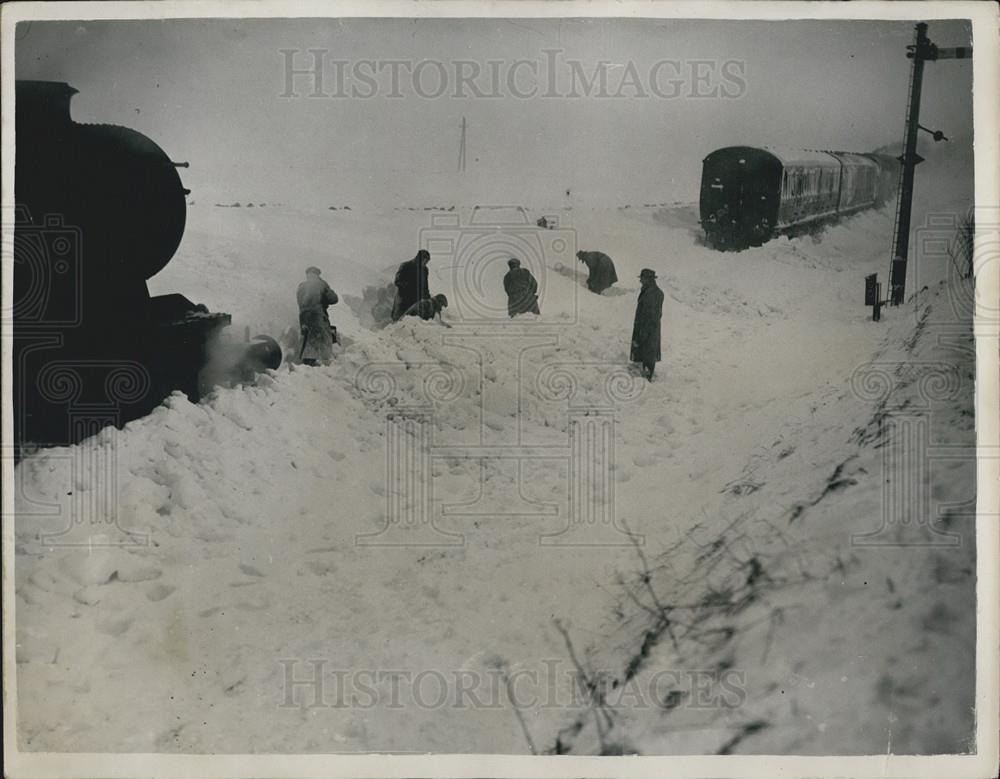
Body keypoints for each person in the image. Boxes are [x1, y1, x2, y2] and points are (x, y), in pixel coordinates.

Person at [296, 266, 338, 365]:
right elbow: (333, 299)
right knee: (324, 338)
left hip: (303, 316)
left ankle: (307, 364)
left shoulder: (301, 286)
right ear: (317, 274)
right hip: (317, 315)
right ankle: (325, 365)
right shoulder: (321, 284)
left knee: (308, 339)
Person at [631, 268, 664, 381]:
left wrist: (643, 332)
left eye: (642, 278)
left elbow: (651, 315)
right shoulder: (651, 291)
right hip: (648, 327)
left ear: (649, 280)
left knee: (648, 350)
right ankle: (646, 373)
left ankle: (647, 377)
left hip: (648, 327)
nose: (640, 281)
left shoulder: (652, 294)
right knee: (647, 350)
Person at [392, 249, 431, 321]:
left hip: (417, 301)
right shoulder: (405, 266)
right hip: (404, 300)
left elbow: (425, 286)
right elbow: (397, 281)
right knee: (400, 322)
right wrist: (408, 287)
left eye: (427, 262)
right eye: (425, 261)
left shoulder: (425, 270)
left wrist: (428, 297)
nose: (426, 263)